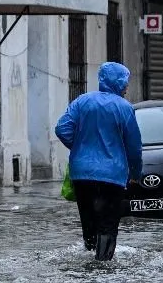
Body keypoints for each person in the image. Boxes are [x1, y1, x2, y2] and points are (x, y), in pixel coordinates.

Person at [55, 62, 142, 261]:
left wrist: (79, 149)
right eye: (125, 82)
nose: (127, 87)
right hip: (112, 175)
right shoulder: (125, 108)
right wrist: (135, 174)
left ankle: (88, 258)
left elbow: (62, 129)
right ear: (119, 83)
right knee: (108, 223)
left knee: (89, 221)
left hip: (82, 173)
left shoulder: (82, 101)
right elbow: (134, 148)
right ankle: (102, 266)